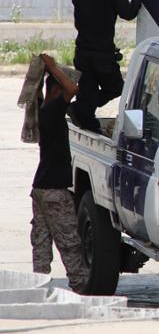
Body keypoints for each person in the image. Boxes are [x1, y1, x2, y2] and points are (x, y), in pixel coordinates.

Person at [31, 53, 89, 293]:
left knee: (41, 242)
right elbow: (72, 89)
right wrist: (53, 67)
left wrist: (45, 72)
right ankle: (80, 287)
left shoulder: (41, 110)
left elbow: (41, 92)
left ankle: (38, 288)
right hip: (54, 191)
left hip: (40, 189)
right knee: (70, 243)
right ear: (56, 90)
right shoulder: (53, 111)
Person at [70, 0, 146, 133]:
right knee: (116, 87)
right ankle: (81, 109)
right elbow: (128, 13)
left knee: (87, 91)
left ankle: (83, 113)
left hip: (82, 52)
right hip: (103, 55)